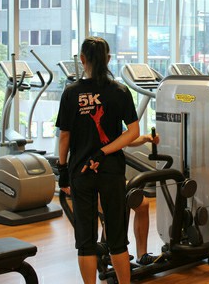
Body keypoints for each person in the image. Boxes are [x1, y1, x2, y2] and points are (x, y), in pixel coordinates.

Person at [56, 36, 139, 284]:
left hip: (81, 170)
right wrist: (104, 151)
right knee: (117, 239)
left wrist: (62, 170)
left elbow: (64, 136)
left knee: (86, 242)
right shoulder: (119, 91)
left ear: (82, 59)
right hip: (111, 170)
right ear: (108, 59)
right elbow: (133, 132)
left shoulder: (71, 93)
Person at [126, 132, 161, 265]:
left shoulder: (112, 124)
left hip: (113, 175)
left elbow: (126, 138)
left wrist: (146, 138)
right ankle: (115, 253)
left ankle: (142, 255)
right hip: (93, 177)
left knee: (143, 204)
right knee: (115, 207)